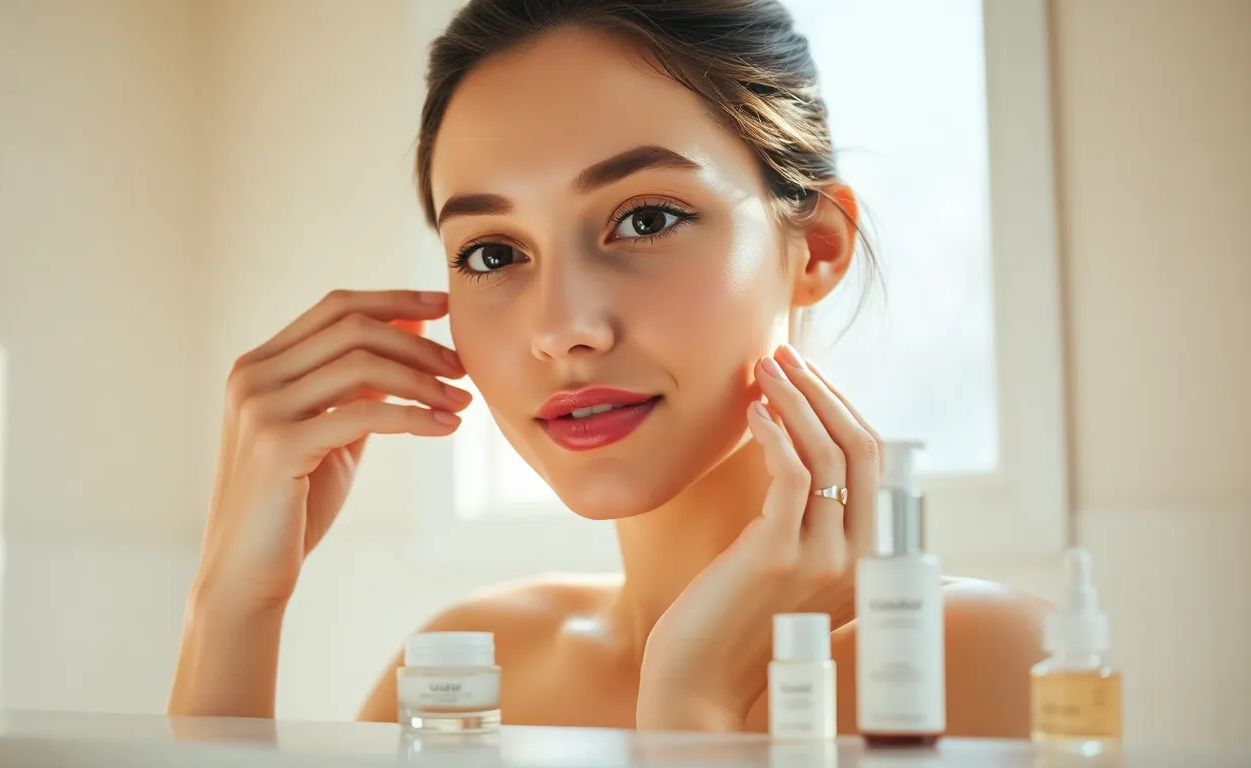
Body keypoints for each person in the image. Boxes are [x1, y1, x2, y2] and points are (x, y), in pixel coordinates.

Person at [169, 0, 1049, 736]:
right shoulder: (472, 662)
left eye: (647, 220)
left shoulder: (972, 662)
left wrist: (692, 705)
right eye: (491, 253)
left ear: (815, 247)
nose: (561, 329)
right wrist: (233, 603)